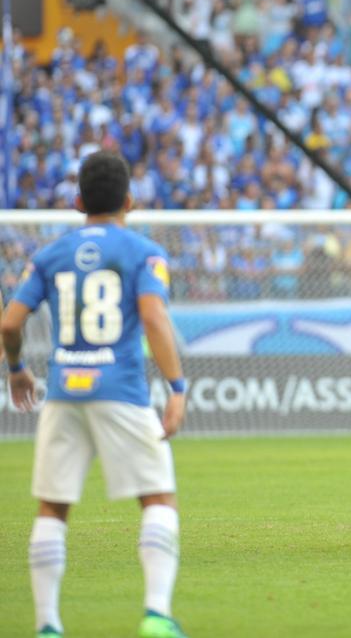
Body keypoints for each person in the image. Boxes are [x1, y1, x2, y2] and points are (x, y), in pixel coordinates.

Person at [1, 151, 190, 638]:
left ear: (78, 201)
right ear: (130, 200)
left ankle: (47, 624)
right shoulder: (143, 252)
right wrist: (176, 387)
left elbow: (9, 322)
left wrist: (18, 369)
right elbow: (152, 317)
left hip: (64, 391)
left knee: (53, 508)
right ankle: (156, 615)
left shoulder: (49, 254)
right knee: (158, 499)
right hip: (122, 391)